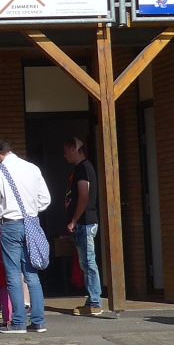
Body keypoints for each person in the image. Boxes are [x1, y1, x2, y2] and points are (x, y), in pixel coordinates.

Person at [0, 139, 51, 334]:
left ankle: (18, 322)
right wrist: (31, 211)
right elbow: (45, 199)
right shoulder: (32, 168)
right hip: (32, 222)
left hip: (10, 224)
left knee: (13, 274)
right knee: (32, 273)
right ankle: (38, 321)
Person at [62, 136, 114, 319]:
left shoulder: (84, 168)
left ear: (75, 149)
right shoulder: (81, 168)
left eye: (67, 151)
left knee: (89, 263)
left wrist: (74, 220)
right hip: (83, 223)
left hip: (85, 223)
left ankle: (95, 302)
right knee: (85, 263)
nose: (65, 155)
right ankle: (92, 299)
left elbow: (84, 196)